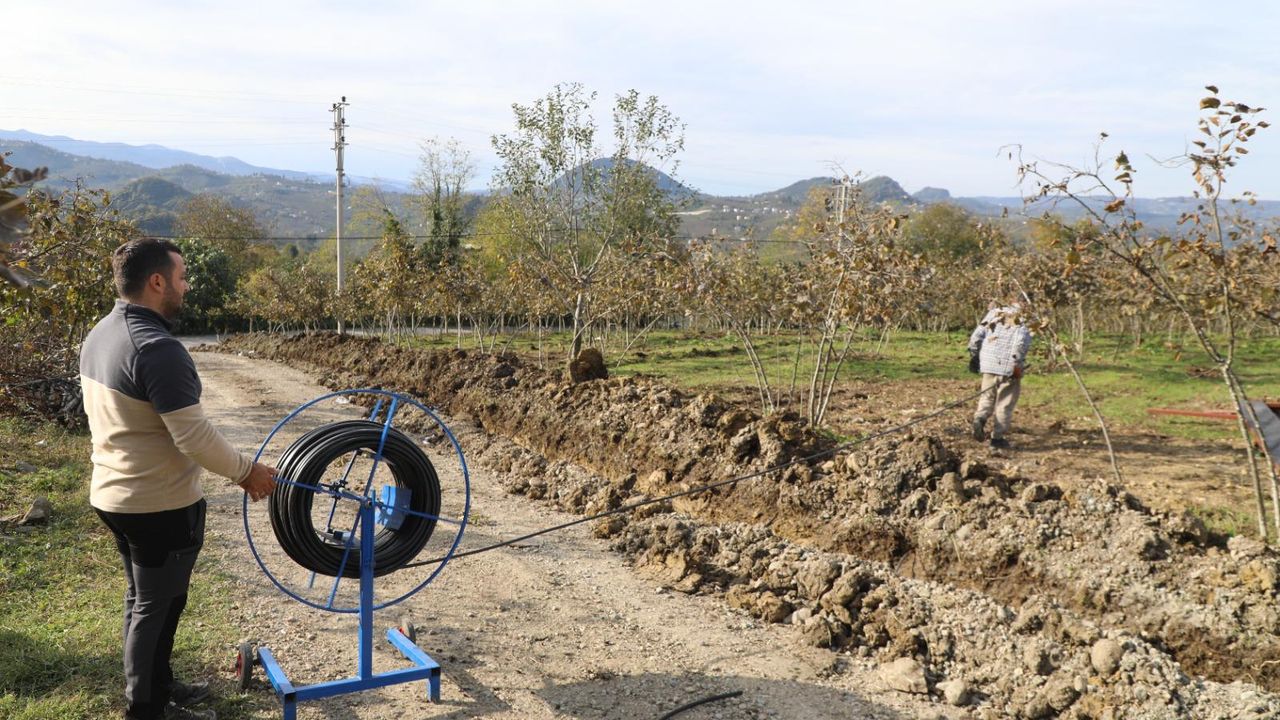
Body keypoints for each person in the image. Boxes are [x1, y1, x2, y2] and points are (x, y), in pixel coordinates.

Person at [79, 238, 277, 720]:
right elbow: (194, 436)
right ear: (157, 281)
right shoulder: (157, 348)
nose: (187, 287)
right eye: (182, 277)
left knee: (147, 599)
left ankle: (159, 686)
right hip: (156, 503)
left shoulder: (102, 332)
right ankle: (147, 709)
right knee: (156, 607)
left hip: (115, 493)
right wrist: (247, 472)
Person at [968, 301, 1033, 449]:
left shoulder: (995, 312)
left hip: (988, 363)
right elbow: (1021, 342)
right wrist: (1016, 364)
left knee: (987, 396)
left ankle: (980, 418)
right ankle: (997, 439)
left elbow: (976, 336)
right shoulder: (1024, 318)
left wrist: (974, 355)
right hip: (1009, 367)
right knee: (1005, 402)